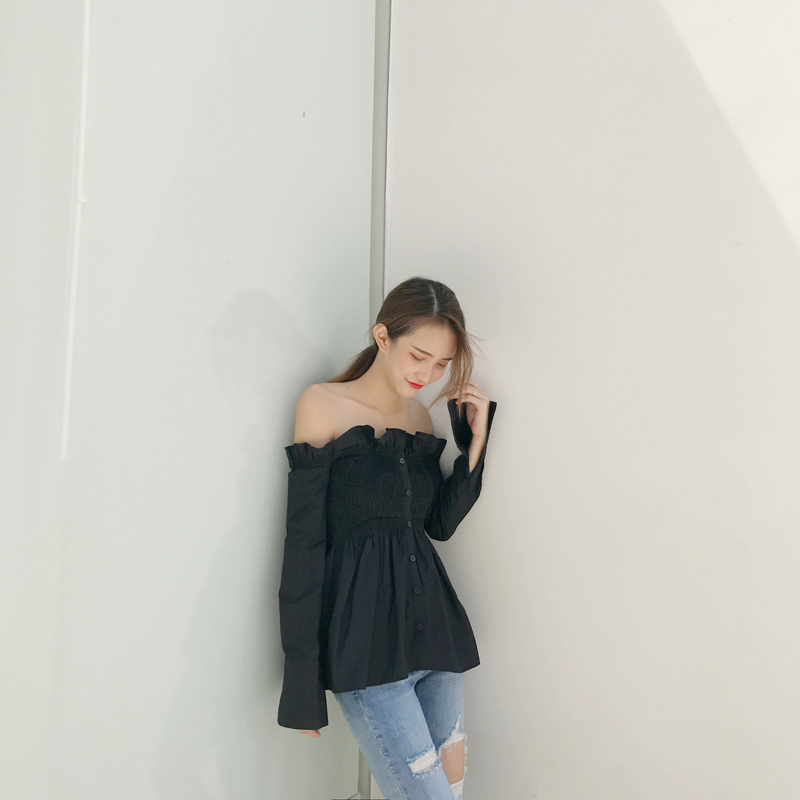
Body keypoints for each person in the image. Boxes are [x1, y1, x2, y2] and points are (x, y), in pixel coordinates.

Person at [276, 276, 498, 800]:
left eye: (441, 365)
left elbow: (436, 526)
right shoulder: (321, 404)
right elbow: (304, 546)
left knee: (451, 792)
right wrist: (302, 681)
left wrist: (475, 441)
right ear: (382, 336)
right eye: (419, 356)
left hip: (437, 638)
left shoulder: (418, 418)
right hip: (367, 650)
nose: (427, 374)